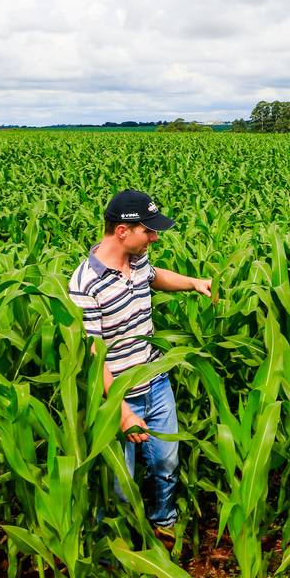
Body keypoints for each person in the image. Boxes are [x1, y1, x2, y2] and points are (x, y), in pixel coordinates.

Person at [67, 189, 212, 538]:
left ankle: (163, 522)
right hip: (117, 393)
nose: (154, 236)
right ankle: (118, 547)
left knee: (166, 462)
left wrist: (192, 283)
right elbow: (92, 354)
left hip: (155, 380)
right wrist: (121, 411)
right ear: (122, 231)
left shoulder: (137, 261)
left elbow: (155, 276)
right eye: (148, 230)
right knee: (119, 481)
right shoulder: (85, 283)